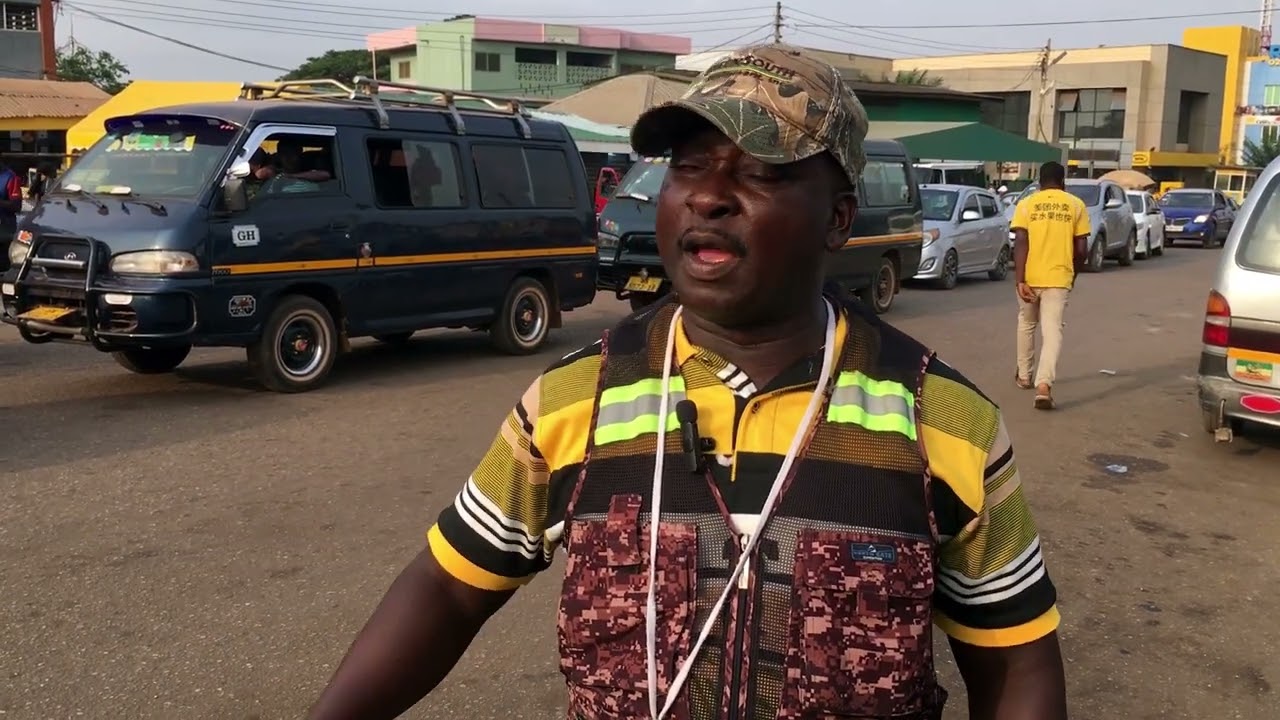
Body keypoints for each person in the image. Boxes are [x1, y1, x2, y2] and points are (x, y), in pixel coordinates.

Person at [307, 45, 1068, 720]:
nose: (709, 195)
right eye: (690, 166)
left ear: (837, 220)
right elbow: (447, 589)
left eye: (762, 171)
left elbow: (1016, 662)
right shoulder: (578, 401)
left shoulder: (942, 420)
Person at [1010, 161, 1091, 410]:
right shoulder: (1076, 205)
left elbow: (1021, 242)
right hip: (1059, 278)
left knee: (1026, 323)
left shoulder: (1026, 205)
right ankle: (1043, 385)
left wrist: (1019, 280)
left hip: (1030, 277)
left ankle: (1024, 376)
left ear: (1039, 182)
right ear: (1063, 181)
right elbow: (1081, 249)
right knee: (1052, 330)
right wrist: (1072, 275)